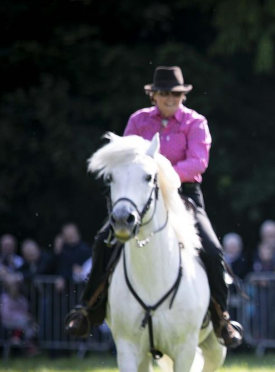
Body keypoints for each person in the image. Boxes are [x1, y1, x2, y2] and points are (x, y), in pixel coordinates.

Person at [64, 66, 242, 347]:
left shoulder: (195, 122)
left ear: (183, 95)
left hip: (184, 195)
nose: (170, 98)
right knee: (103, 241)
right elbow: (124, 158)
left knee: (212, 249)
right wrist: (145, 179)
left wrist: (160, 174)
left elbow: (198, 163)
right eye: (164, 93)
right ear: (153, 95)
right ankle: (86, 310)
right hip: (139, 194)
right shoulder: (138, 121)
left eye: (176, 93)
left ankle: (222, 318)